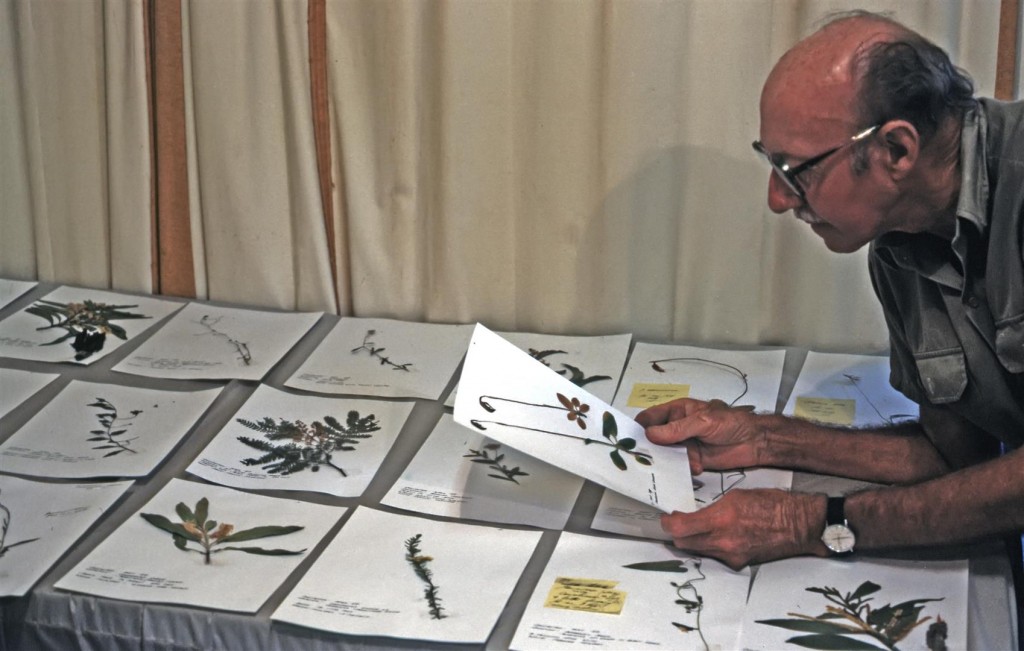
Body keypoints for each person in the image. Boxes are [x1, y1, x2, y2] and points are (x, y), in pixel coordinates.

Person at [637, 10, 1024, 571]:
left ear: (897, 150)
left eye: (796, 170)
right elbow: (954, 455)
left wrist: (816, 523)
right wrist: (767, 438)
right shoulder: (899, 237)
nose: (777, 198)